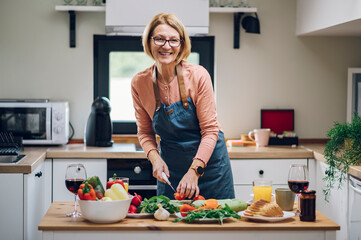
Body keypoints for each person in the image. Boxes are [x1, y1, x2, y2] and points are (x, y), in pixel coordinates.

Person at [131, 13, 235, 200]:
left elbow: (210, 131)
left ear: (181, 45)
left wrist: (194, 171)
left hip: (209, 168)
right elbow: (145, 132)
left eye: (173, 40)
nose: (166, 46)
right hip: (172, 172)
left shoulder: (198, 76)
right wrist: (155, 160)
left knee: (217, 224)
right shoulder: (139, 83)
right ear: (149, 42)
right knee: (171, 225)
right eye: (159, 39)